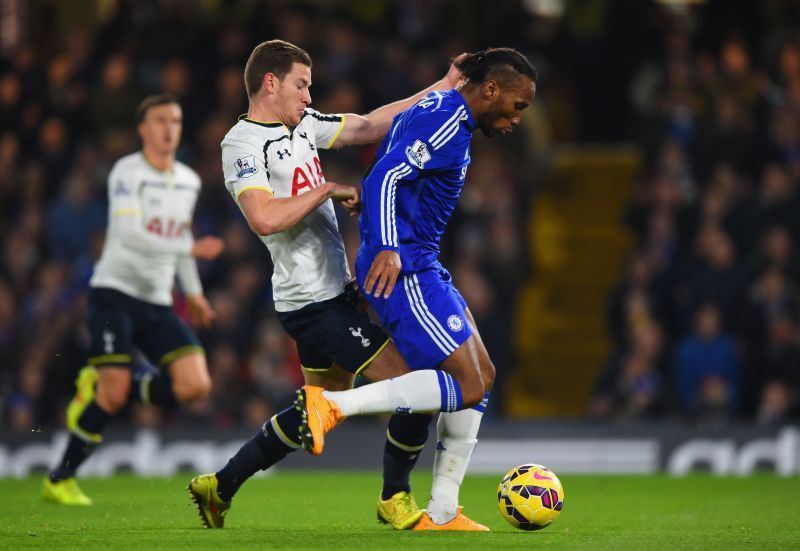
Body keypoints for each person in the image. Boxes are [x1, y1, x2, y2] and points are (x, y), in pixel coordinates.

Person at [188, 39, 464, 530]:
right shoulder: (242, 144)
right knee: (414, 386)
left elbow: (369, 124)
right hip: (313, 302)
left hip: (332, 294)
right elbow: (265, 218)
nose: (308, 96)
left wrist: (443, 88)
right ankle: (394, 499)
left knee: (320, 407)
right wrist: (328, 189)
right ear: (270, 83)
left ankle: (220, 486)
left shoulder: (304, 127)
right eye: (301, 85)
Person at [293, 47, 536, 530]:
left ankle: (444, 508)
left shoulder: (446, 109)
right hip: (405, 267)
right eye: (518, 105)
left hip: (419, 262)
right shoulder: (448, 121)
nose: (517, 117)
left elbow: (393, 163)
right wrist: (385, 245)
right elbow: (384, 174)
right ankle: (331, 405)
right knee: (468, 384)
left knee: (481, 377)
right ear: (490, 90)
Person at [43, 94, 224, 505]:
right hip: (114, 294)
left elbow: (180, 243)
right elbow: (130, 234)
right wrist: (190, 248)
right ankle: (59, 479)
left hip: (157, 301)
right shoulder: (128, 172)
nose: (168, 128)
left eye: (175, 121)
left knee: (195, 385)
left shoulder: (188, 181)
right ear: (142, 129)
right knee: (112, 395)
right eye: (160, 120)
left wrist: (193, 294)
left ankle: (109, 384)